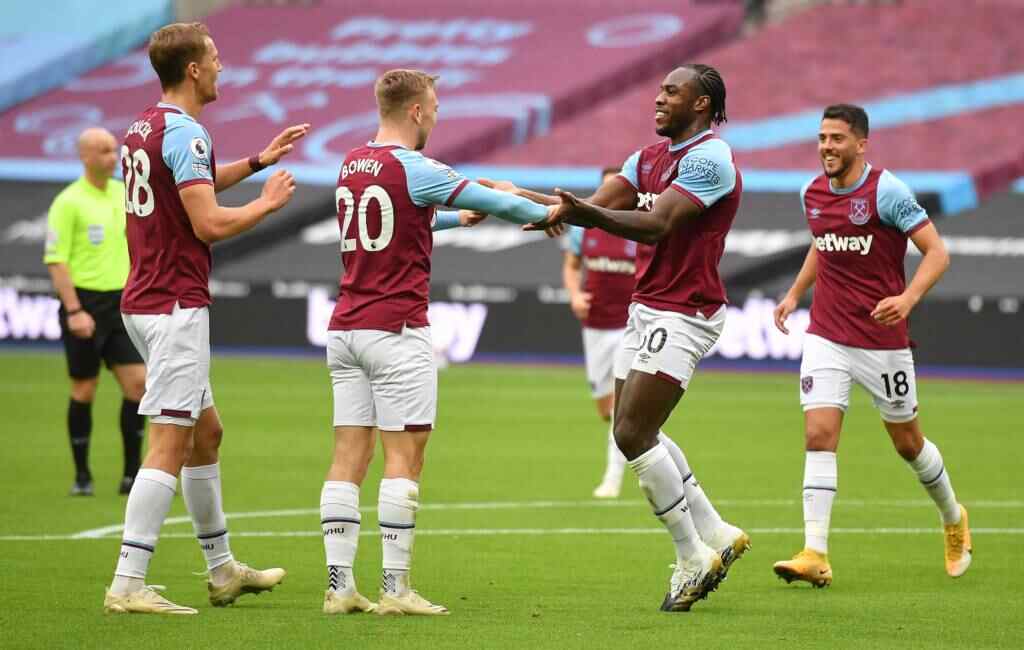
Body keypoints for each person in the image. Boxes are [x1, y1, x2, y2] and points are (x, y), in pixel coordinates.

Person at [491, 64, 750, 612]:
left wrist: (586, 213)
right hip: (647, 306)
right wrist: (515, 197)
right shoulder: (645, 159)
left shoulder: (711, 159)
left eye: (671, 92)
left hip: (685, 310)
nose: (657, 99)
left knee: (633, 433)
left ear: (701, 104)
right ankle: (717, 532)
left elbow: (657, 225)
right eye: (658, 90)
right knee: (629, 427)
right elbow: (587, 205)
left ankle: (692, 556)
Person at [319, 68, 554, 617]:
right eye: (436, 106)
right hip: (397, 330)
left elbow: (397, 221)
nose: (438, 115)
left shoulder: (351, 165)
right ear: (417, 111)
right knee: (406, 457)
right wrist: (549, 212)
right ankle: (396, 590)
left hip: (346, 327)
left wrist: (454, 220)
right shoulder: (417, 167)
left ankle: (338, 587)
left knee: (348, 457)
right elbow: (503, 203)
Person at [104, 22, 310, 615]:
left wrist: (255, 162)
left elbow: (184, 188)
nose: (222, 67)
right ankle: (128, 582)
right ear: (193, 69)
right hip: (173, 303)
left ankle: (223, 571)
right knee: (170, 440)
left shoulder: (145, 125)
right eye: (215, 59)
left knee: (206, 433)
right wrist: (266, 203)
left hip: (145, 297)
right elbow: (209, 224)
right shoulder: (187, 132)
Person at [771, 104, 969, 587]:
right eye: (821, 138)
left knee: (908, 444)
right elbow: (823, 242)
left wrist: (908, 297)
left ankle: (953, 516)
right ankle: (815, 552)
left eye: (837, 139)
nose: (826, 147)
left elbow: (937, 253)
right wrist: (796, 292)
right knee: (819, 434)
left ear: (861, 144)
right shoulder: (811, 193)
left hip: (882, 343)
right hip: (827, 335)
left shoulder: (887, 191)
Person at [44, 127, 147, 497]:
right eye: (103, 150)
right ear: (85, 156)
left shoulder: (125, 194)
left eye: (113, 149)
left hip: (123, 303)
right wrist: (74, 310)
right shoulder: (68, 201)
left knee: (138, 385)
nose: (111, 156)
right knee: (84, 389)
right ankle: (82, 475)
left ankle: (132, 475)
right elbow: (57, 261)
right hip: (85, 304)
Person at [561, 166, 635, 498]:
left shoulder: (639, 227)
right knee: (607, 411)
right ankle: (641, 439)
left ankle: (612, 479)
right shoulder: (585, 228)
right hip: (595, 325)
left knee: (622, 409)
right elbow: (572, 265)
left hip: (630, 325)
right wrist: (575, 294)